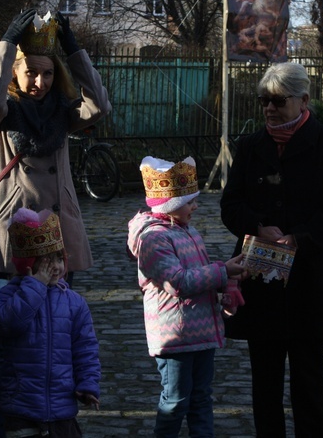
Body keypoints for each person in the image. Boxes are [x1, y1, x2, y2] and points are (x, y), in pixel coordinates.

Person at [0, 9, 111, 436]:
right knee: (8, 337)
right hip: (11, 241)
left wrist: (72, 47)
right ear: (14, 72)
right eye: (31, 73)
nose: (40, 82)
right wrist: (7, 41)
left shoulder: (62, 113)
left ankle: (50, 418)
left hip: (57, 240)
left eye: (48, 74)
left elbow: (99, 104)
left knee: (55, 332)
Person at [220, 62, 323, 437]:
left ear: (303, 100)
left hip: (310, 276)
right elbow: (230, 206)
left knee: (309, 379)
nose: (269, 108)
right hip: (260, 276)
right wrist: (257, 225)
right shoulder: (249, 147)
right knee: (264, 380)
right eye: (264, 100)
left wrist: (300, 236)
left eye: (278, 100)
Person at [127, 156, 246, 438]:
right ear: (169, 203)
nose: (195, 206)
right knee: (176, 400)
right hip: (176, 337)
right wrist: (222, 271)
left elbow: (199, 273)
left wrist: (226, 281)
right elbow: (178, 281)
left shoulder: (186, 230)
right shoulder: (153, 238)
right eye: (189, 200)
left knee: (201, 398)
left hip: (200, 330)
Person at [0, 207, 101, 436]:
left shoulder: (74, 303)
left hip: (62, 407)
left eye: (59, 258)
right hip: (21, 407)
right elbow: (10, 324)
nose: (55, 267)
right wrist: (35, 286)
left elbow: (85, 348)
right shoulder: (8, 297)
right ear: (28, 265)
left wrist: (87, 384)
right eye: (45, 261)